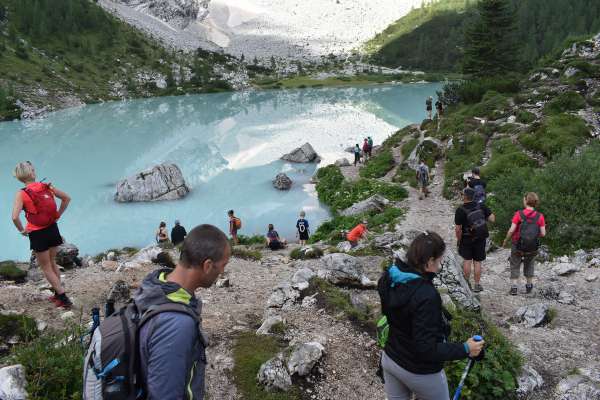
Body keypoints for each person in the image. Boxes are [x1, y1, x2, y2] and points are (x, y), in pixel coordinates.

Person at [378, 231, 485, 400]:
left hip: (391, 359)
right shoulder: (426, 295)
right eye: (439, 261)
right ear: (429, 262)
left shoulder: (389, 277)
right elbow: (426, 349)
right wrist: (466, 349)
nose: (440, 266)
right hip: (420, 372)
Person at [137, 224, 231, 400]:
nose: (223, 271)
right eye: (223, 265)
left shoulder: (155, 284)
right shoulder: (178, 324)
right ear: (208, 265)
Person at [11, 161, 73, 308]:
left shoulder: (21, 194)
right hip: (52, 228)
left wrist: (22, 230)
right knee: (52, 263)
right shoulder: (46, 187)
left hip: (37, 233)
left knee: (46, 267)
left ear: (20, 178)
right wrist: (58, 214)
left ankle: (64, 298)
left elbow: (14, 217)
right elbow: (66, 198)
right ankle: (58, 295)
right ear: (32, 173)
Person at [501, 192, 546, 295]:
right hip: (532, 247)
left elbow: (511, 230)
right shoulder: (540, 216)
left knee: (515, 263)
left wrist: (506, 240)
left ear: (526, 201)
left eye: (524, 199)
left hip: (517, 245)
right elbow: (543, 233)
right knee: (530, 264)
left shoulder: (519, 214)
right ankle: (529, 286)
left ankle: (514, 288)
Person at [455, 187, 495, 292]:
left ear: (465, 197)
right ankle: (477, 285)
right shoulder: (481, 206)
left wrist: (459, 240)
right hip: (480, 238)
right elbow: (492, 219)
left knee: (467, 261)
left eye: (462, 194)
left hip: (466, 238)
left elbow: (458, 229)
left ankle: (467, 284)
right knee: (478, 262)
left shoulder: (460, 210)